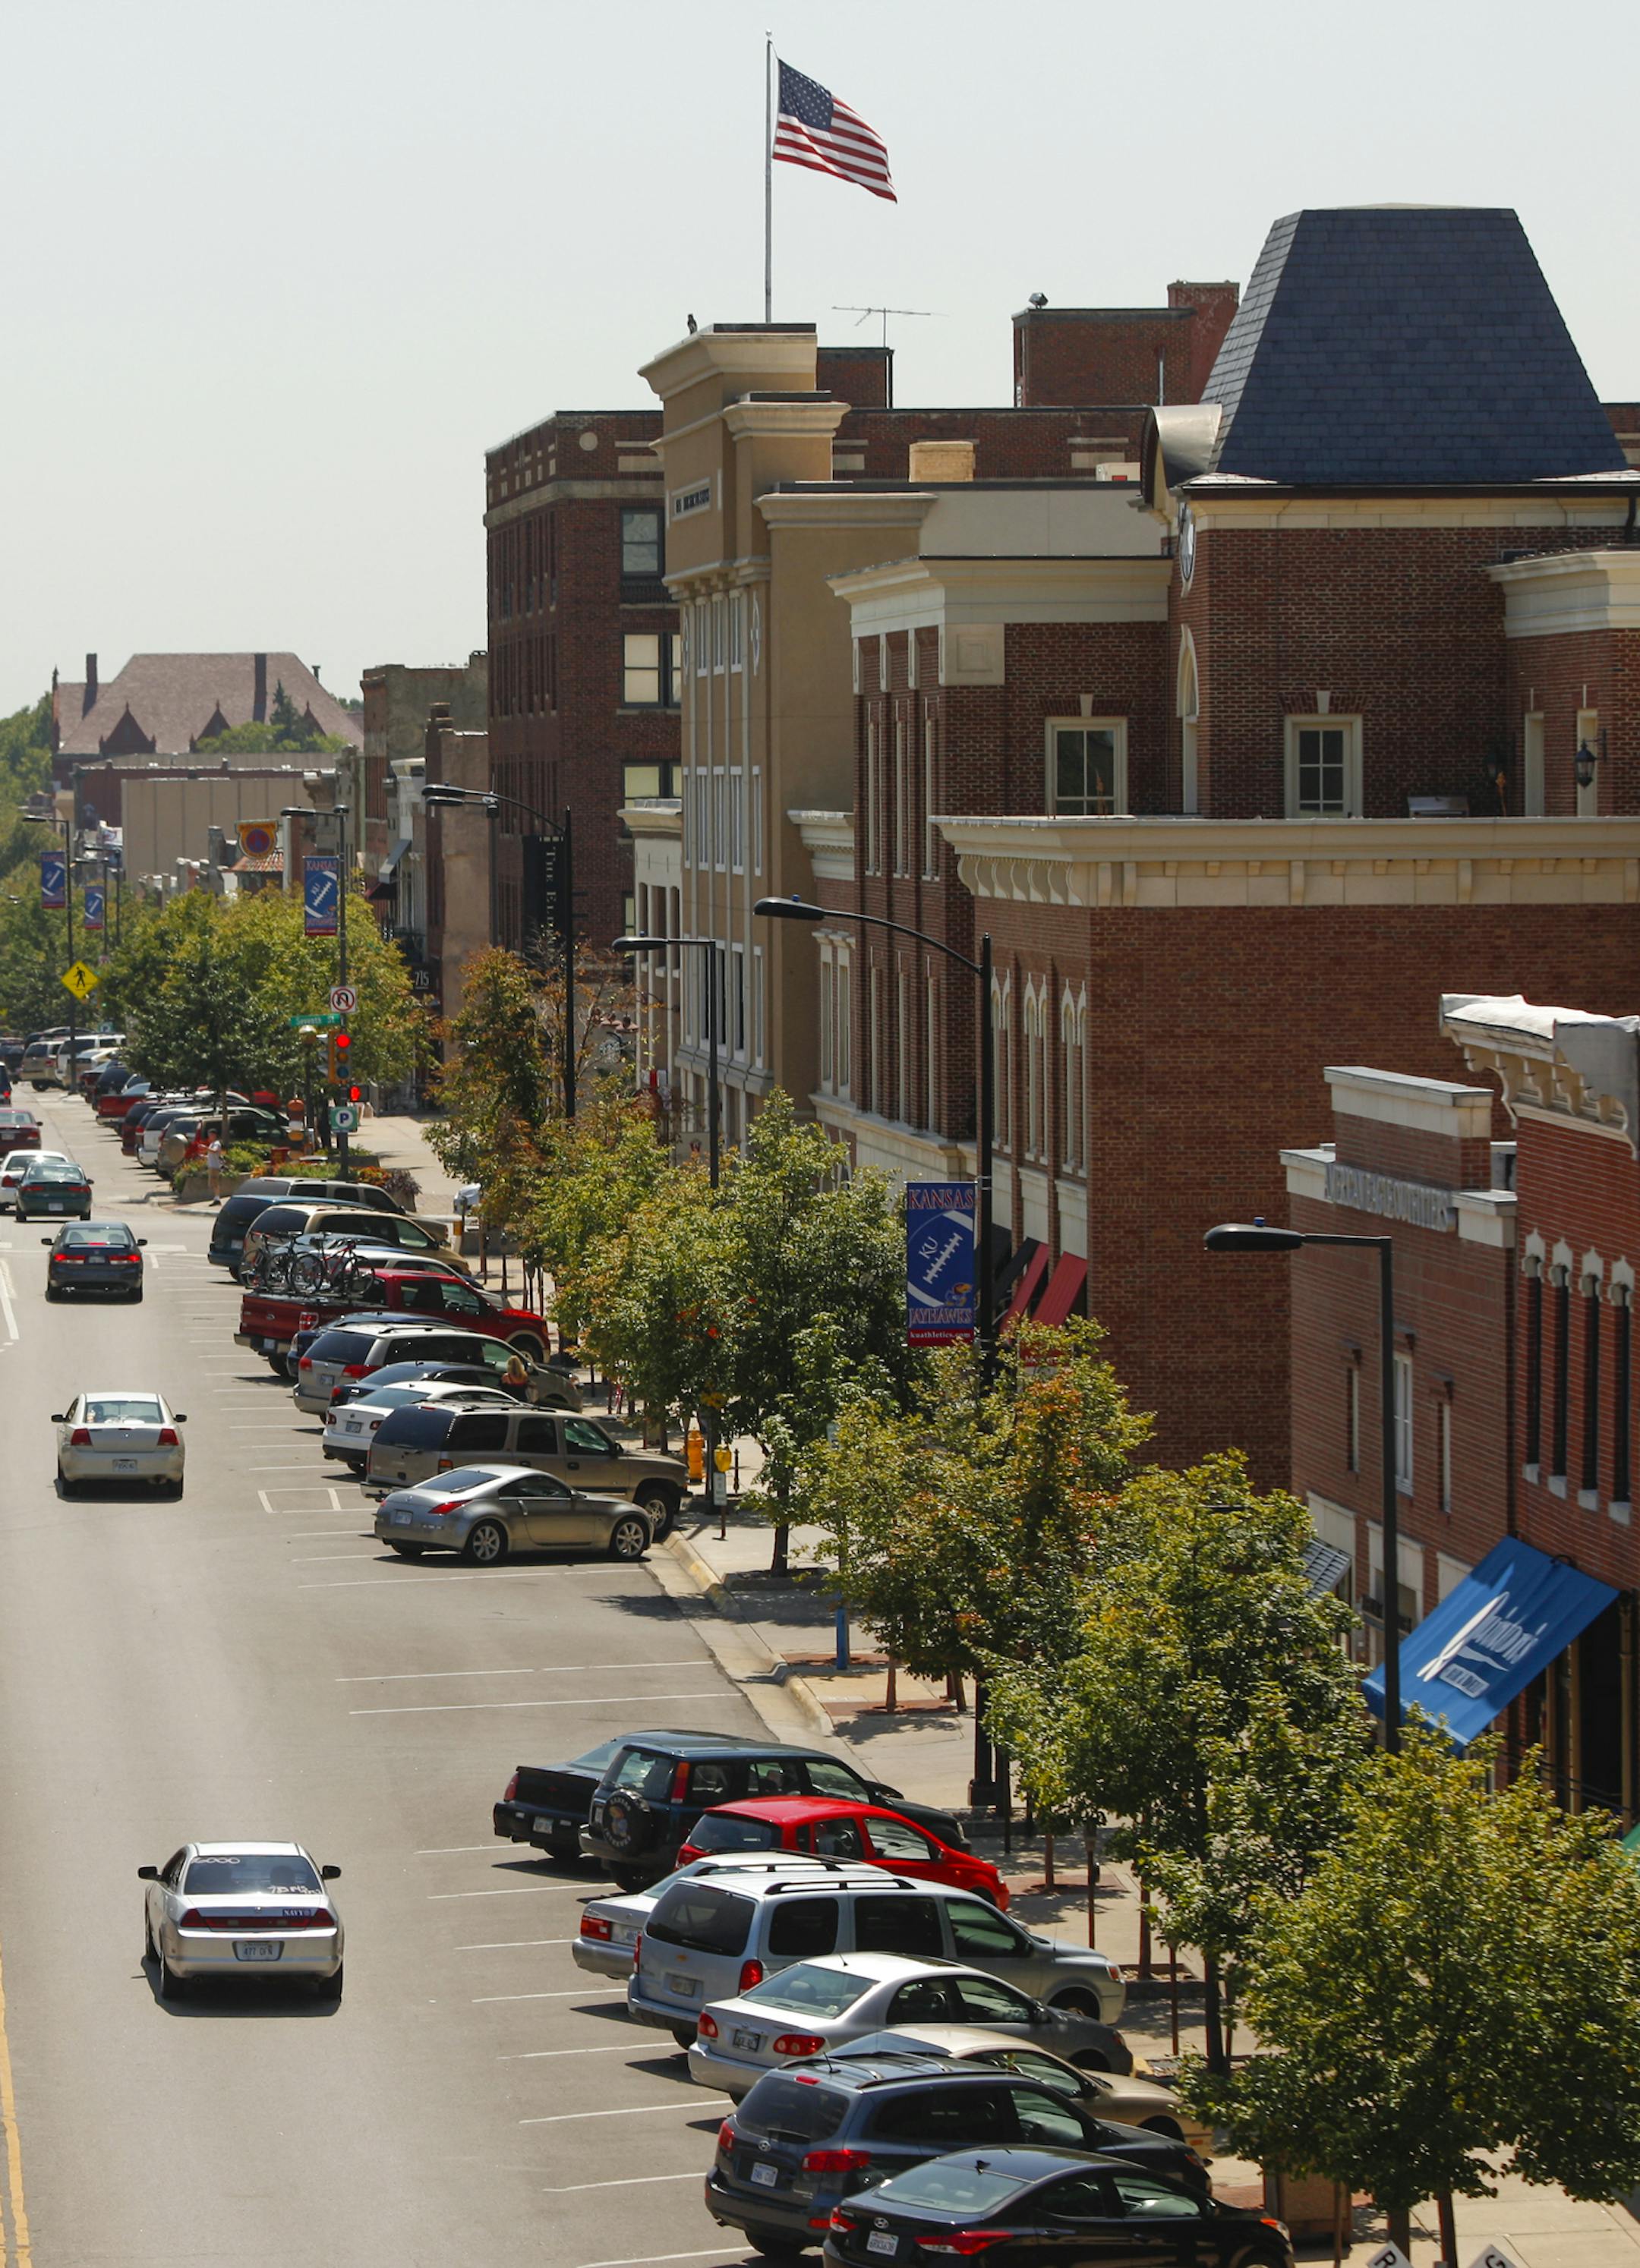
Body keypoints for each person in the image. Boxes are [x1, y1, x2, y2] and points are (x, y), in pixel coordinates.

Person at [206, 1133, 226, 1203]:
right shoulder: (212, 1144)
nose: (209, 1137)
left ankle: (217, 1198)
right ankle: (216, 1197)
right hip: (211, 1166)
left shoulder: (217, 1144)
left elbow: (215, 1151)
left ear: (214, 1135)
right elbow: (211, 1155)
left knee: (215, 1182)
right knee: (212, 1183)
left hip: (215, 1166)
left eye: (210, 1135)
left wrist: (205, 1148)